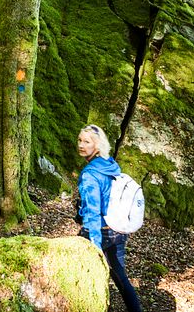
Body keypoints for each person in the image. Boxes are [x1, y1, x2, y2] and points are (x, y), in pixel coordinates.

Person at [76, 124, 142, 312]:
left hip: (98, 232)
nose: (81, 145)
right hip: (118, 229)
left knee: (82, 277)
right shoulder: (110, 165)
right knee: (121, 277)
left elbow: (93, 213)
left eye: (87, 141)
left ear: (97, 145)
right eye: (80, 140)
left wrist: (94, 246)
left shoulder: (90, 174)